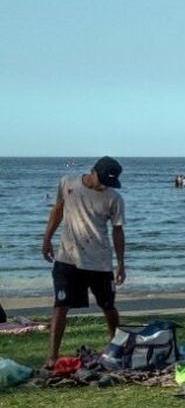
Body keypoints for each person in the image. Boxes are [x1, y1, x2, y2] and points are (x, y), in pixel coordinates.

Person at [41, 156, 127, 368]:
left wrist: (121, 264)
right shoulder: (68, 183)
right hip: (68, 259)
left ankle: (116, 349)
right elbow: (58, 211)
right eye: (103, 180)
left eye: (110, 182)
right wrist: (47, 239)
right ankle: (52, 355)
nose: (105, 185)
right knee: (60, 305)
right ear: (93, 171)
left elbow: (118, 231)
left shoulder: (114, 198)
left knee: (108, 306)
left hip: (100, 261)